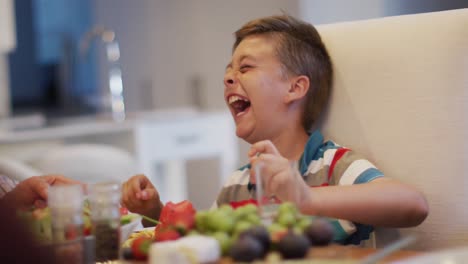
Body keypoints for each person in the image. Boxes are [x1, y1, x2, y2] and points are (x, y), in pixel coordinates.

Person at [121, 14, 428, 244]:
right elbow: (201, 240)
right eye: (229, 69)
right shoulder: (238, 183)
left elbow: (413, 204)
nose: (228, 78)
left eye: (245, 68)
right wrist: (156, 211)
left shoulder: (330, 166)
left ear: (295, 88)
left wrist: (306, 198)